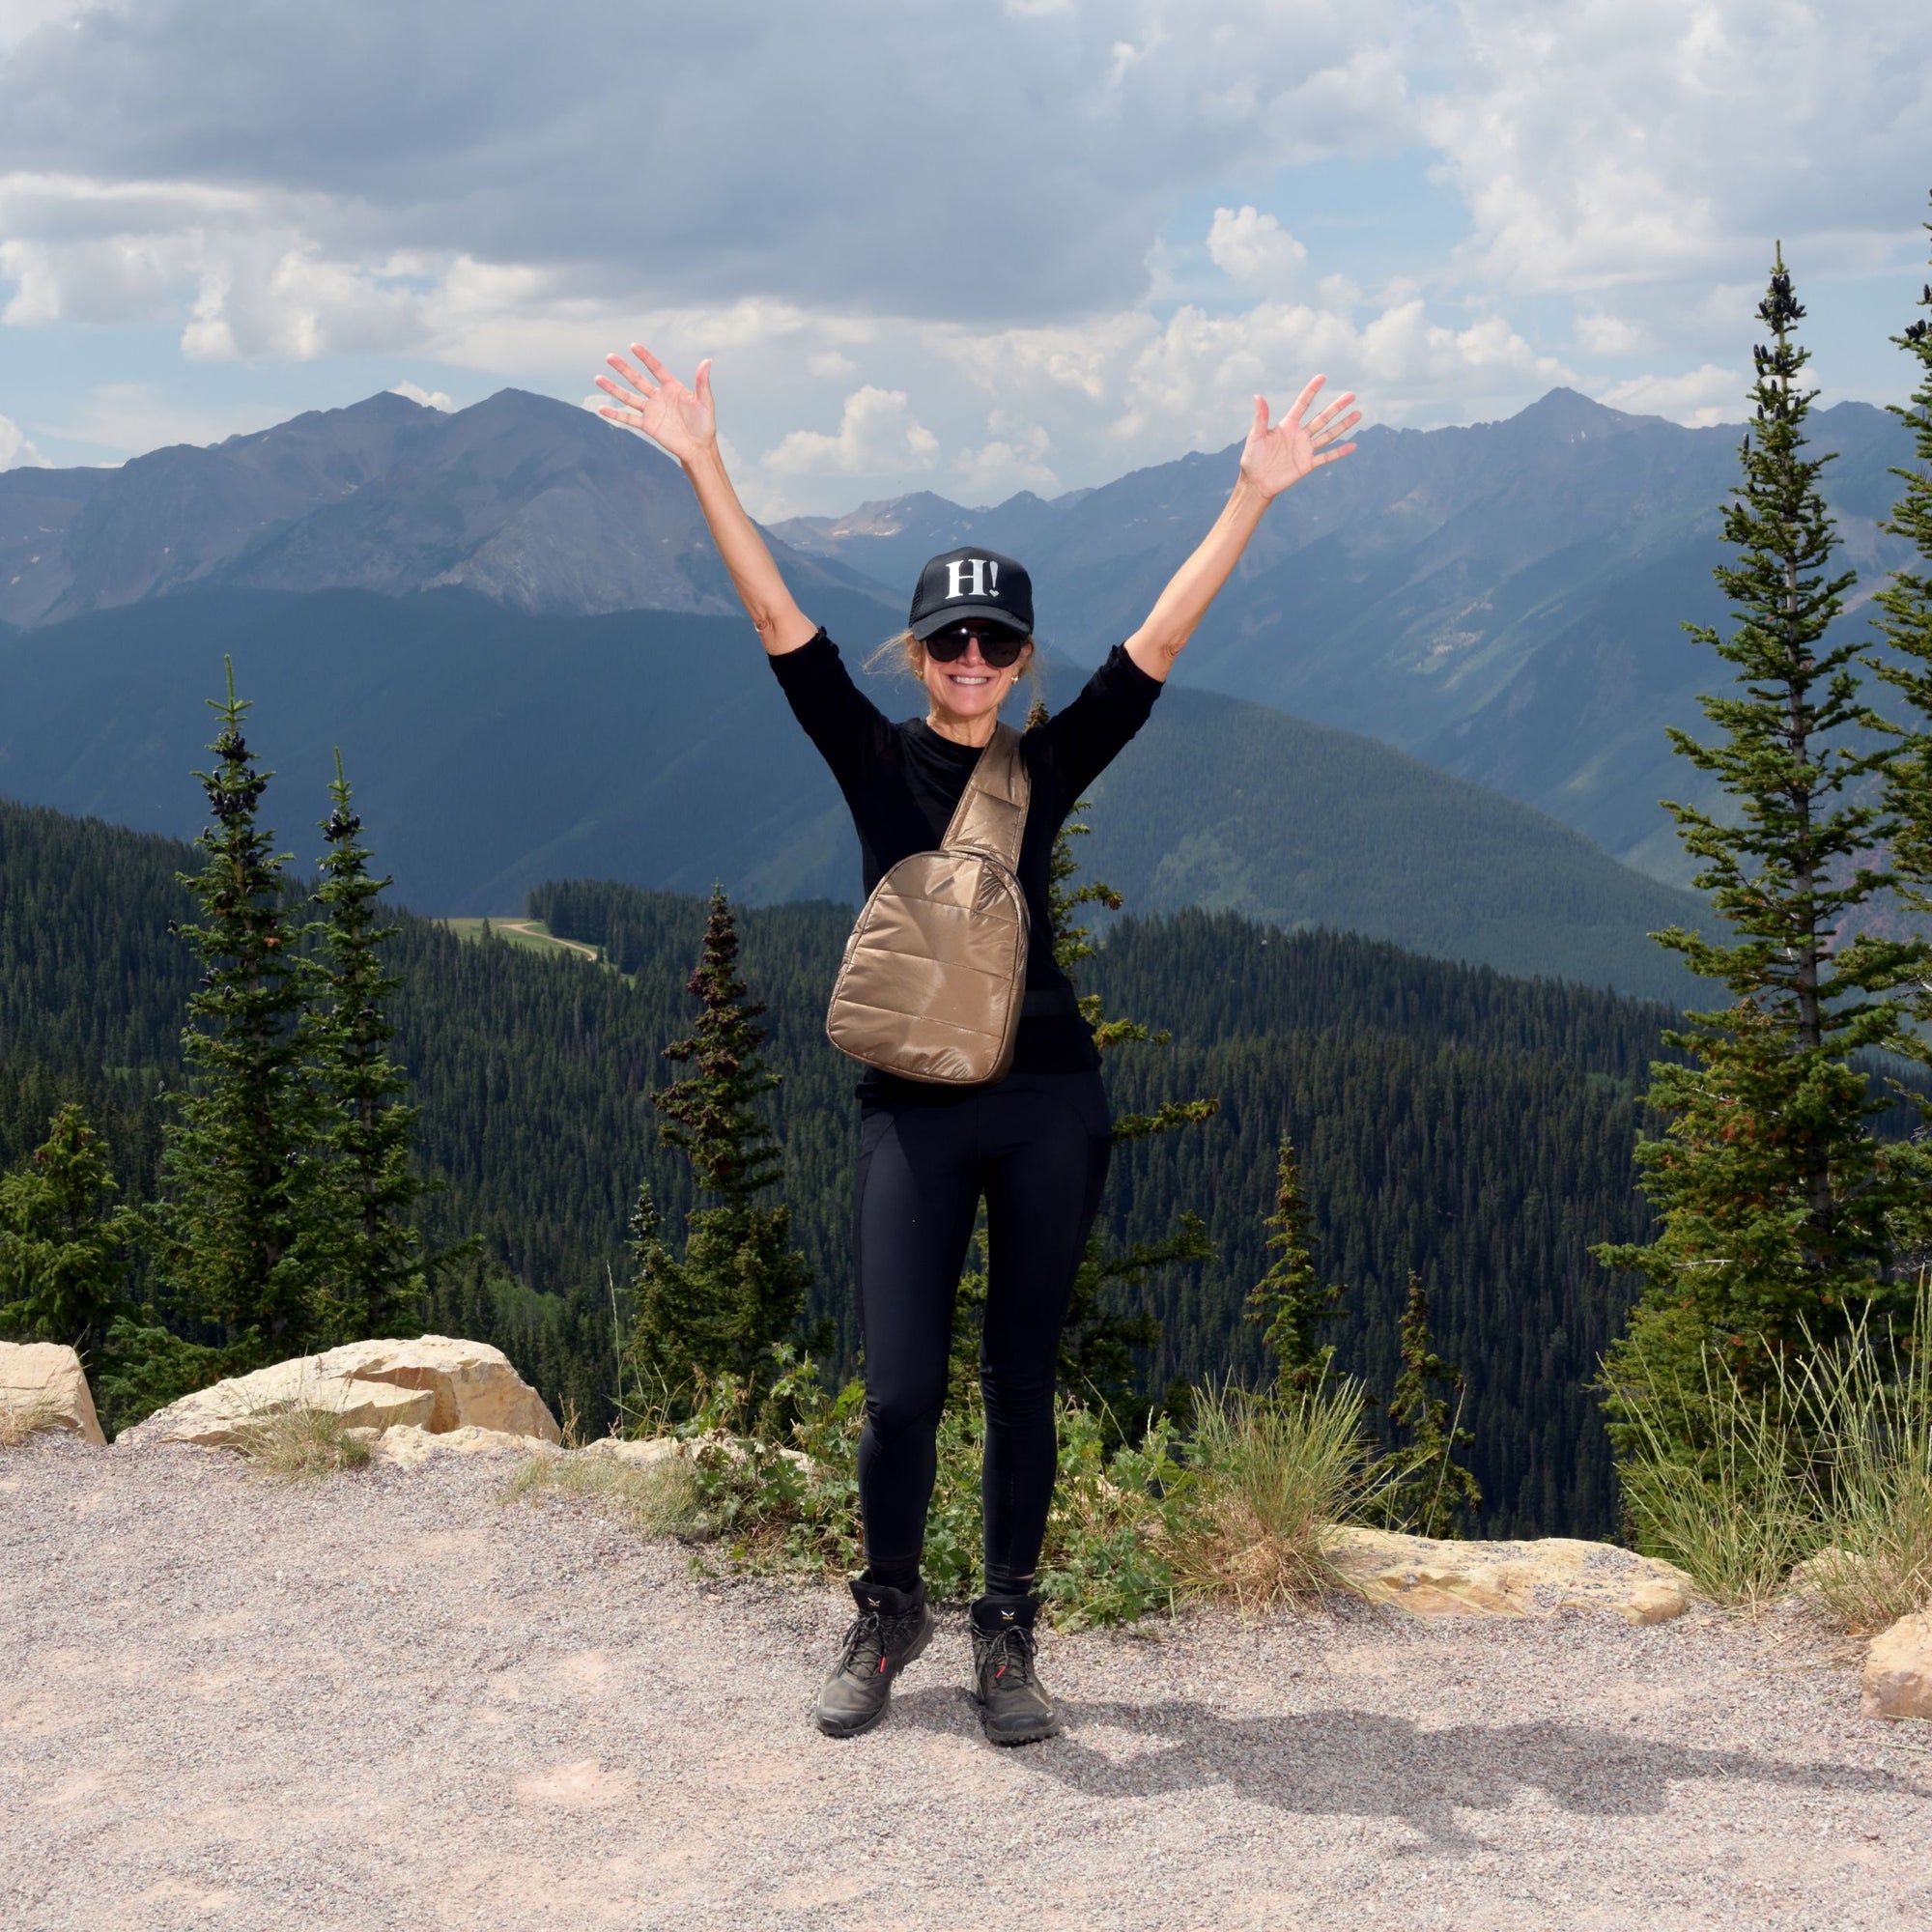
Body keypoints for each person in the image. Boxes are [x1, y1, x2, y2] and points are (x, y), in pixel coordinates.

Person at [596, 344, 1359, 1745]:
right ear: (914, 652)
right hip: (911, 1106)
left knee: (1020, 1381)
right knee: (898, 1393)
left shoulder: (1046, 765)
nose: (970, 663)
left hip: (1053, 1103)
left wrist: (1252, 495)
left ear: (1021, 660)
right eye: (947, 643)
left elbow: (1157, 651)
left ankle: (1006, 1632)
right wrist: (701, 455)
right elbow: (772, 614)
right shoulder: (871, 753)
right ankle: (889, 1610)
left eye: (995, 644)